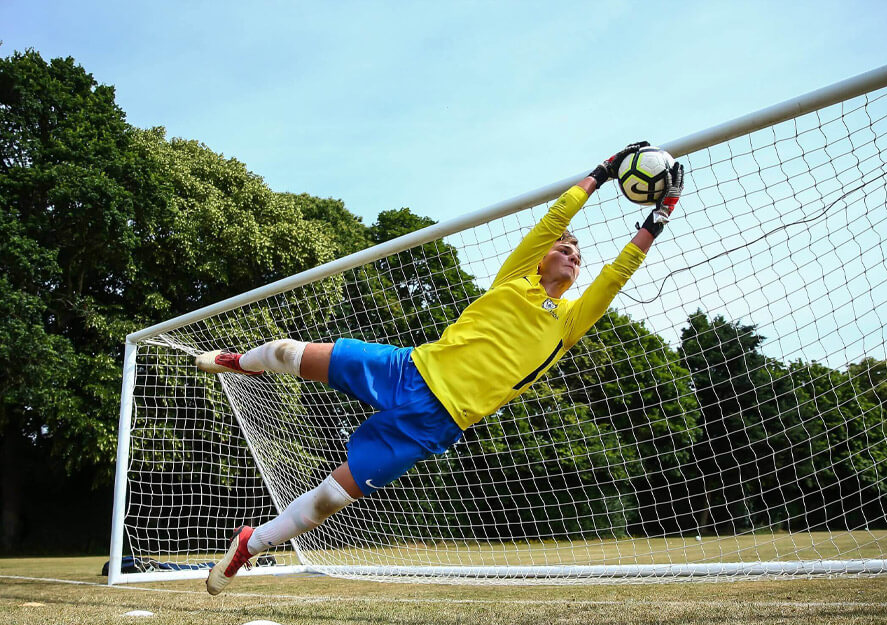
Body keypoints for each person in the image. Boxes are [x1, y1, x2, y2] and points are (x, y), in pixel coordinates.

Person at [199, 143, 684, 595]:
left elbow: (618, 273)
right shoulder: (514, 278)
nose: (572, 255)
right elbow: (556, 216)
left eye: (577, 255)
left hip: (434, 423)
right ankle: (241, 364)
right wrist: (601, 172)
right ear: (539, 259)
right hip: (408, 369)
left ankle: (251, 545)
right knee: (287, 352)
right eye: (563, 248)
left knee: (329, 499)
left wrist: (660, 216)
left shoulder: (571, 323)